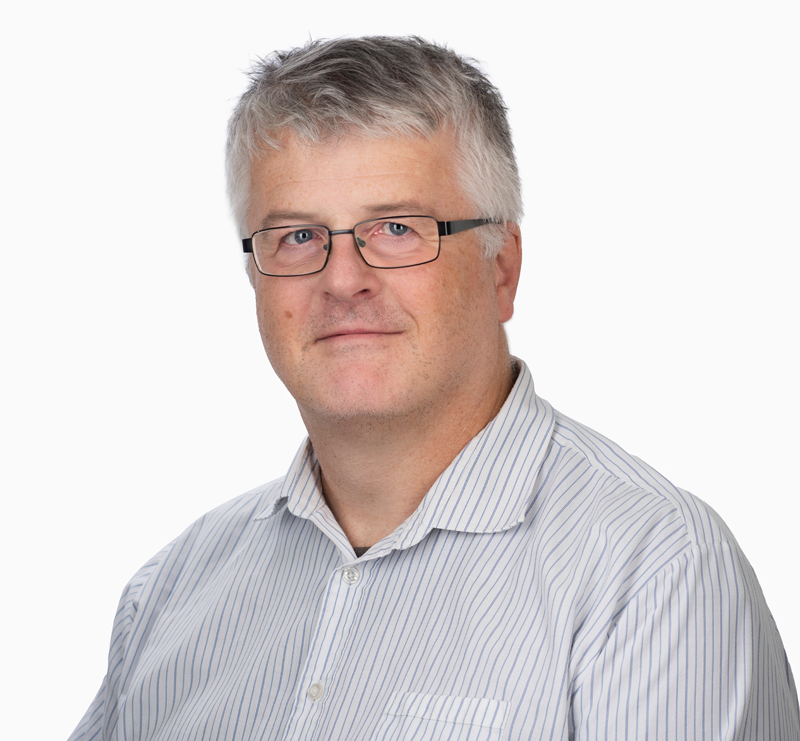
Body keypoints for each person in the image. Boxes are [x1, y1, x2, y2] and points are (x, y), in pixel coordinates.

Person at [69, 37, 799, 741]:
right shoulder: (168, 594)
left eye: (396, 228)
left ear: (502, 267)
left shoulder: (654, 573)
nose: (343, 280)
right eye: (297, 237)